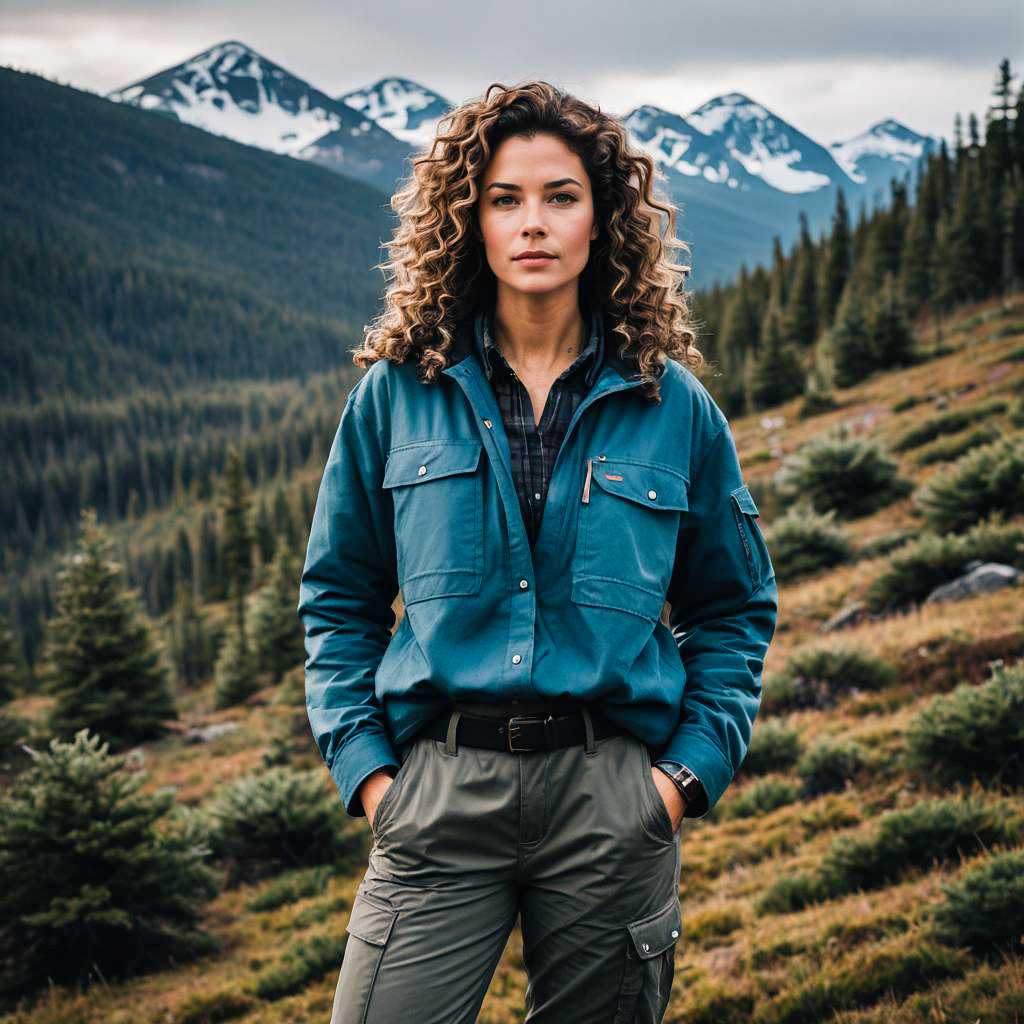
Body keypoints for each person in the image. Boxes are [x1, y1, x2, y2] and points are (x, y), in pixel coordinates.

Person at [297, 79, 778, 1024]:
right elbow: (338, 599)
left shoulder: (672, 406)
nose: (533, 223)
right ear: (467, 221)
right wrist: (372, 778)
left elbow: (732, 610)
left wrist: (680, 781)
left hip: (614, 799)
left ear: (604, 221)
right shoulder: (397, 398)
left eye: (561, 197)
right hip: (436, 796)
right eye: (505, 199)